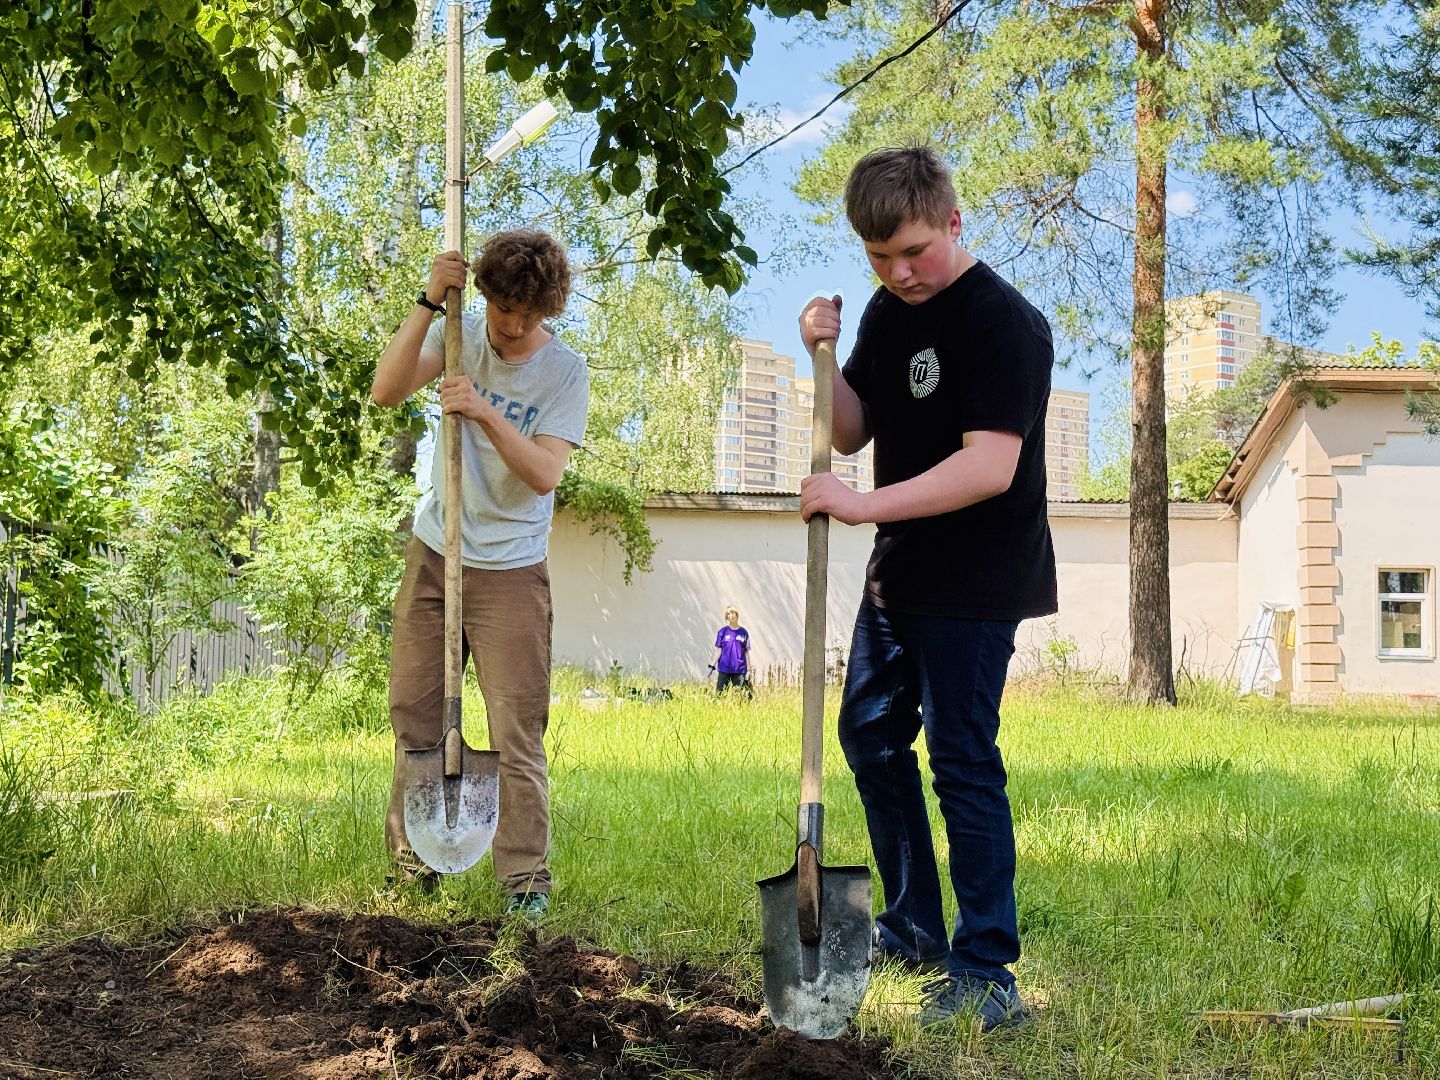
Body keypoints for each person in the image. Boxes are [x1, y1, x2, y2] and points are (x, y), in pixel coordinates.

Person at [796, 145, 1057, 1031]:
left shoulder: (1004, 325)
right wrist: (822, 359)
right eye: (878, 257)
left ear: (953, 220)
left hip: (978, 579)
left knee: (962, 763)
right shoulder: (885, 307)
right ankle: (910, 931)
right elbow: (850, 431)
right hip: (900, 576)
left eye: (914, 252)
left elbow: (987, 467)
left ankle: (987, 970)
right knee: (869, 738)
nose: (899, 273)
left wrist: (862, 508)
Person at [370, 230, 588, 918]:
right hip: (438, 551)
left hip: (510, 570)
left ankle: (525, 884)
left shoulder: (564, 373)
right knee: (415, 714)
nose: (514, 327)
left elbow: (544, 472)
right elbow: (385, 390)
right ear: (486, 297)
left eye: (529, 317)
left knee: (515, 729)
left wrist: (484, 410)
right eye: (503, 311)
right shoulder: (460, 335)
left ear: (548, 310)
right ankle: (415, 868)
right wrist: (429, 301)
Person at [712, 605, 752, 696]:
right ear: (727, 617)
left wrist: (749, 669)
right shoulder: (722, 632)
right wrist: (712, 664)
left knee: (738, 697)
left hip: (739, 670)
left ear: (737, 615)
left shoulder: (744, 632)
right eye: (729, 614)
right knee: (720, 695)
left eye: (733, 613)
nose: (732, 615)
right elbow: (718, 650)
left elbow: (746, 652)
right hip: (724, 669)